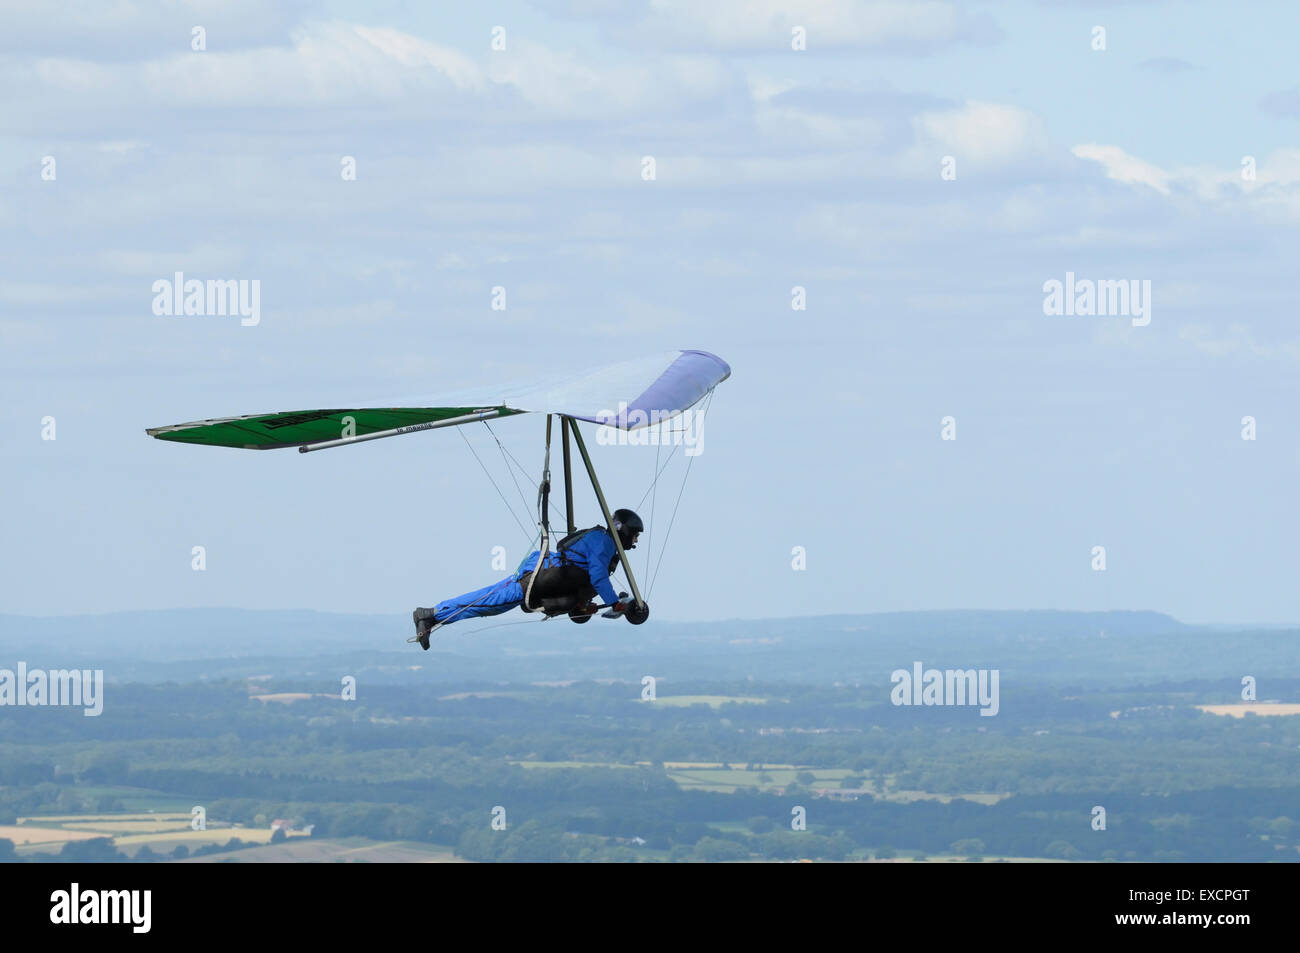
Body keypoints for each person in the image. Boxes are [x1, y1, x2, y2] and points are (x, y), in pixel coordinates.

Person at [411, 509, 643, 649]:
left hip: (545, 573)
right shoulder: (604, 542)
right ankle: (430, 614)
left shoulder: (603, 543)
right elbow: (598, 577)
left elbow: (584, 579)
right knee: (491, 602)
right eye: (634, 535)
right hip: (542, 575)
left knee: (492, 600)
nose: (634, 541)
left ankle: (432, 616)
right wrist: (614, 602)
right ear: (623, 530)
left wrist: (582, 606)